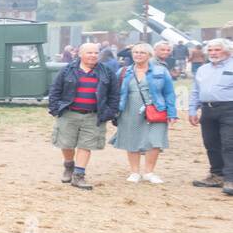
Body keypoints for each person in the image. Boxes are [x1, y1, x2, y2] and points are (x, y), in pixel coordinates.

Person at [47, 42, 121, 189]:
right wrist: (55, 109)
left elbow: (114, 94)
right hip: (69, 113)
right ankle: (69, 166)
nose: (93, 55)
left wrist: (109, 112)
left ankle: (78, 176)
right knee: (66, 144)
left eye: (95, 53)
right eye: (89, 53)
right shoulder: (67, 70)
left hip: (93, 115)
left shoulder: (107, 72)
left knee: (86, 145)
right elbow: (55, 89)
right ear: (80, 54)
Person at [109, 42, 176, 183]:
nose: (138, 55)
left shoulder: (161, 71)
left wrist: (172, 113)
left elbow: (169, 93)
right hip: (129, 108)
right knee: (132, 139)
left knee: (155, 140)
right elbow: (113, 91)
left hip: (156, 108)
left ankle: (149, 172)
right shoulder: (123, 71)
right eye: (135, 52)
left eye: (142, 52)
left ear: (150, 55)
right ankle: (134, 172)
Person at [188, 37, 233, 195]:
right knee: (211, 144)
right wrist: (193, 110)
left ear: (227, 51)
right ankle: (216, 175)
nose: (213, 53)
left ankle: (231, 179)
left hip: (229, 108)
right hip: (207, 110)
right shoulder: (203, 69)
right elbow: (195, 91)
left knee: (229, 144)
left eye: (217, 49)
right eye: (210, 50)